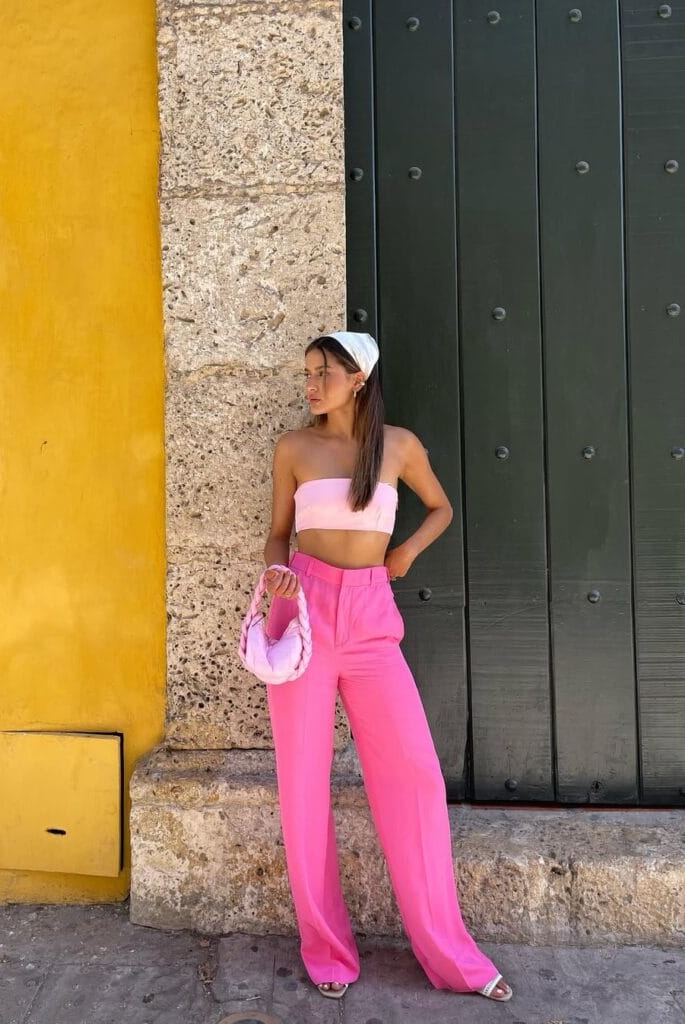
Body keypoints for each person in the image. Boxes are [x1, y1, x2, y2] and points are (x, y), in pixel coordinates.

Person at [261, 331, 513, 1004]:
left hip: (372, 620)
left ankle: (452, 955)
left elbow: (441, 508)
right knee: (302, 789)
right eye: (308, 371)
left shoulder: (396, 446)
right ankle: (327, 953)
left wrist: (402, 558)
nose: (311, 383)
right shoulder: (293, 447)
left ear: (359, 379)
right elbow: (278, 532)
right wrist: (277, 574)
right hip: (305, 613)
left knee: (415, 777)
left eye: (325, 372)